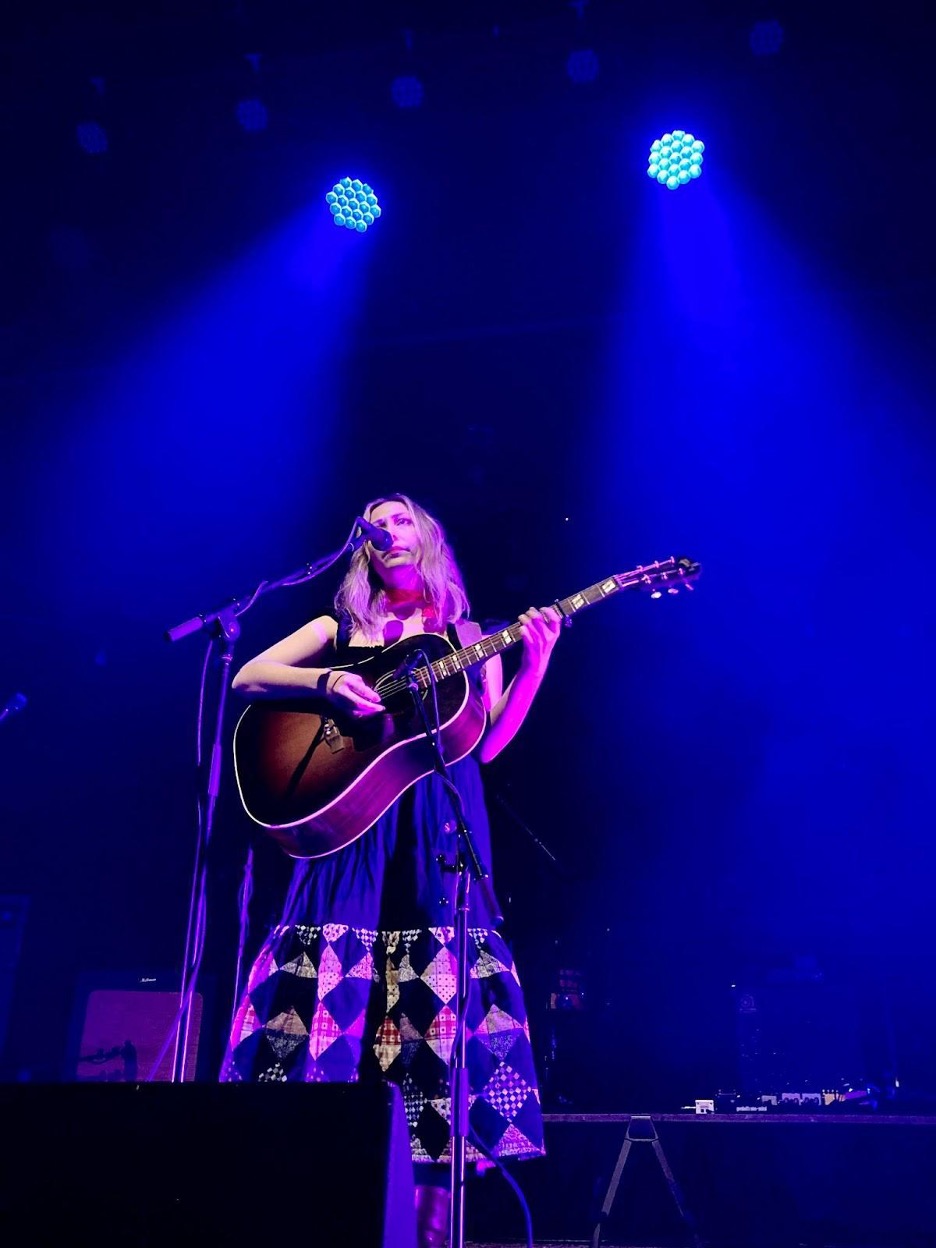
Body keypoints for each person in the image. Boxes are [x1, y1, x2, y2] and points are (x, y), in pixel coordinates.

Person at [220, 493, 562, 1248]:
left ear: (429, 541)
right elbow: (249, 675)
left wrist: (533, 664)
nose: (388, 530)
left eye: (402, 518)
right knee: (317, 1025)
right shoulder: (339, 630)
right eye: (376, 523)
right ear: (365, 548)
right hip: (351, 835)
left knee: (431, 1051)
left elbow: (488, 743)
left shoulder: (468, 635)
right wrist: (326, 683)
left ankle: (425, 1235)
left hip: (438, 822)